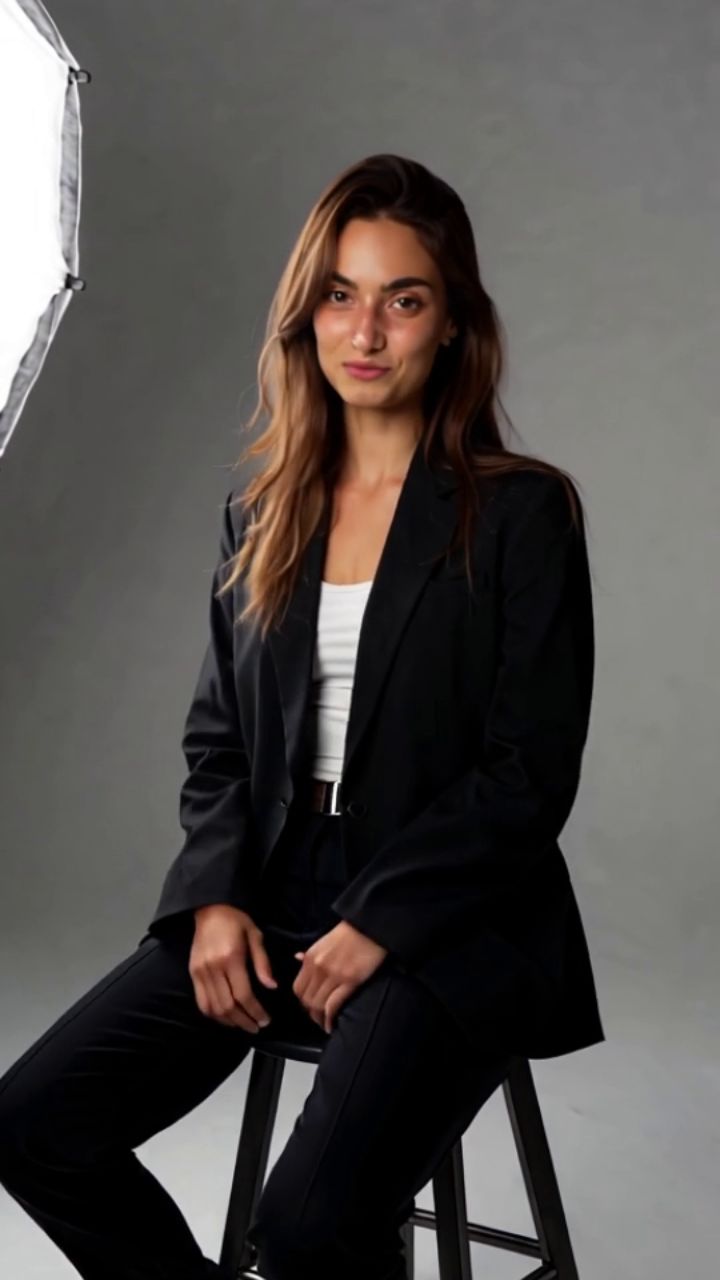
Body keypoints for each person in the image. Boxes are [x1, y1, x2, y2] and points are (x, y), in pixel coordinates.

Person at [0, 153, 605, 1280]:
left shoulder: (522, 512)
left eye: (403, 299)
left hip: (451, 911)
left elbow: (528, 770)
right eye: (340, 293)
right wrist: (212, 896)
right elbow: (219, 744)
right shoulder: (262, 513)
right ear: (306, 314)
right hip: (274, 887)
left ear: (451, 325)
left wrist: (383, 917)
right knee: (31, 1124)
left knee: (310, 1225)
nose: (365, 331)